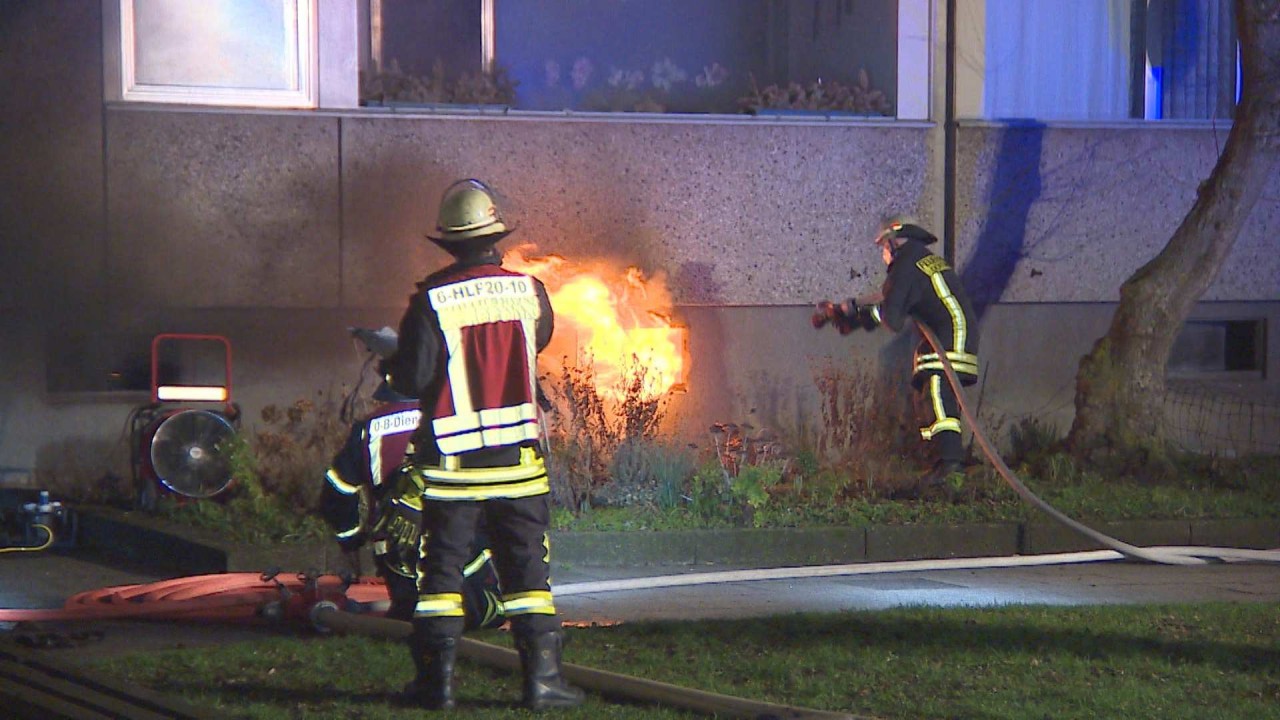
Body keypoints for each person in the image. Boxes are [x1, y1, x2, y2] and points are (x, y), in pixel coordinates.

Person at [380, 178, 582, 711]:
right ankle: (542, 683)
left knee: (441, 575)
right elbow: (533, 343)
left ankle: (436, 686)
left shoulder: (431, 300)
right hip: (518, 464)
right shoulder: (529, 292)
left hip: (452, 467)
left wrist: (390, 355)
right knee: (527, 576)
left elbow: (412, 379)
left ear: (448, 243)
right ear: (496, 238)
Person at [320, 333, 504, 629]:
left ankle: (414, 605)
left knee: (413, 610)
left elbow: (338, 491)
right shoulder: (461, 420)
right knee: (488, 610)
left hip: (399, 560)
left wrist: (351, 537)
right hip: (464, 555)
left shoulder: (369, 430)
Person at [813, 216, 980, 497]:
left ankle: (951, 467)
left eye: (883, 247)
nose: (883, 254)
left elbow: (892, 317)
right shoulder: (919, 260)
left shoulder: (904, 267)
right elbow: (888, 298)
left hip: (950, 338)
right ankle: (938, 464)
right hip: (950, 334)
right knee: (925, 393)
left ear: (894, 241)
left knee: (938, 396)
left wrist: (853, 319)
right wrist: (850, 310)